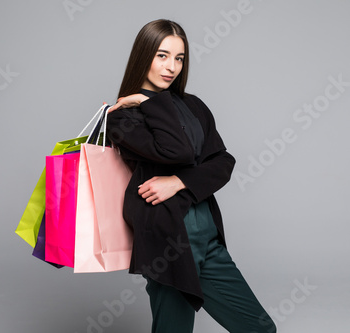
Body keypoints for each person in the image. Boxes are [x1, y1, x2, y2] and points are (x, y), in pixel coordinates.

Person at [106, 19, 276, 333]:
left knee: (260, 328)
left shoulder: (193, 106)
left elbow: (223, 161)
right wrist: (147, 101)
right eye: (162, 55)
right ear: (144, 56)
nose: (171, 66)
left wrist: (179, 182)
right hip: (168, 245)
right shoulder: (124, 117)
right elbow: (177, 152)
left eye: (179, 58)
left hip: (208, 239)